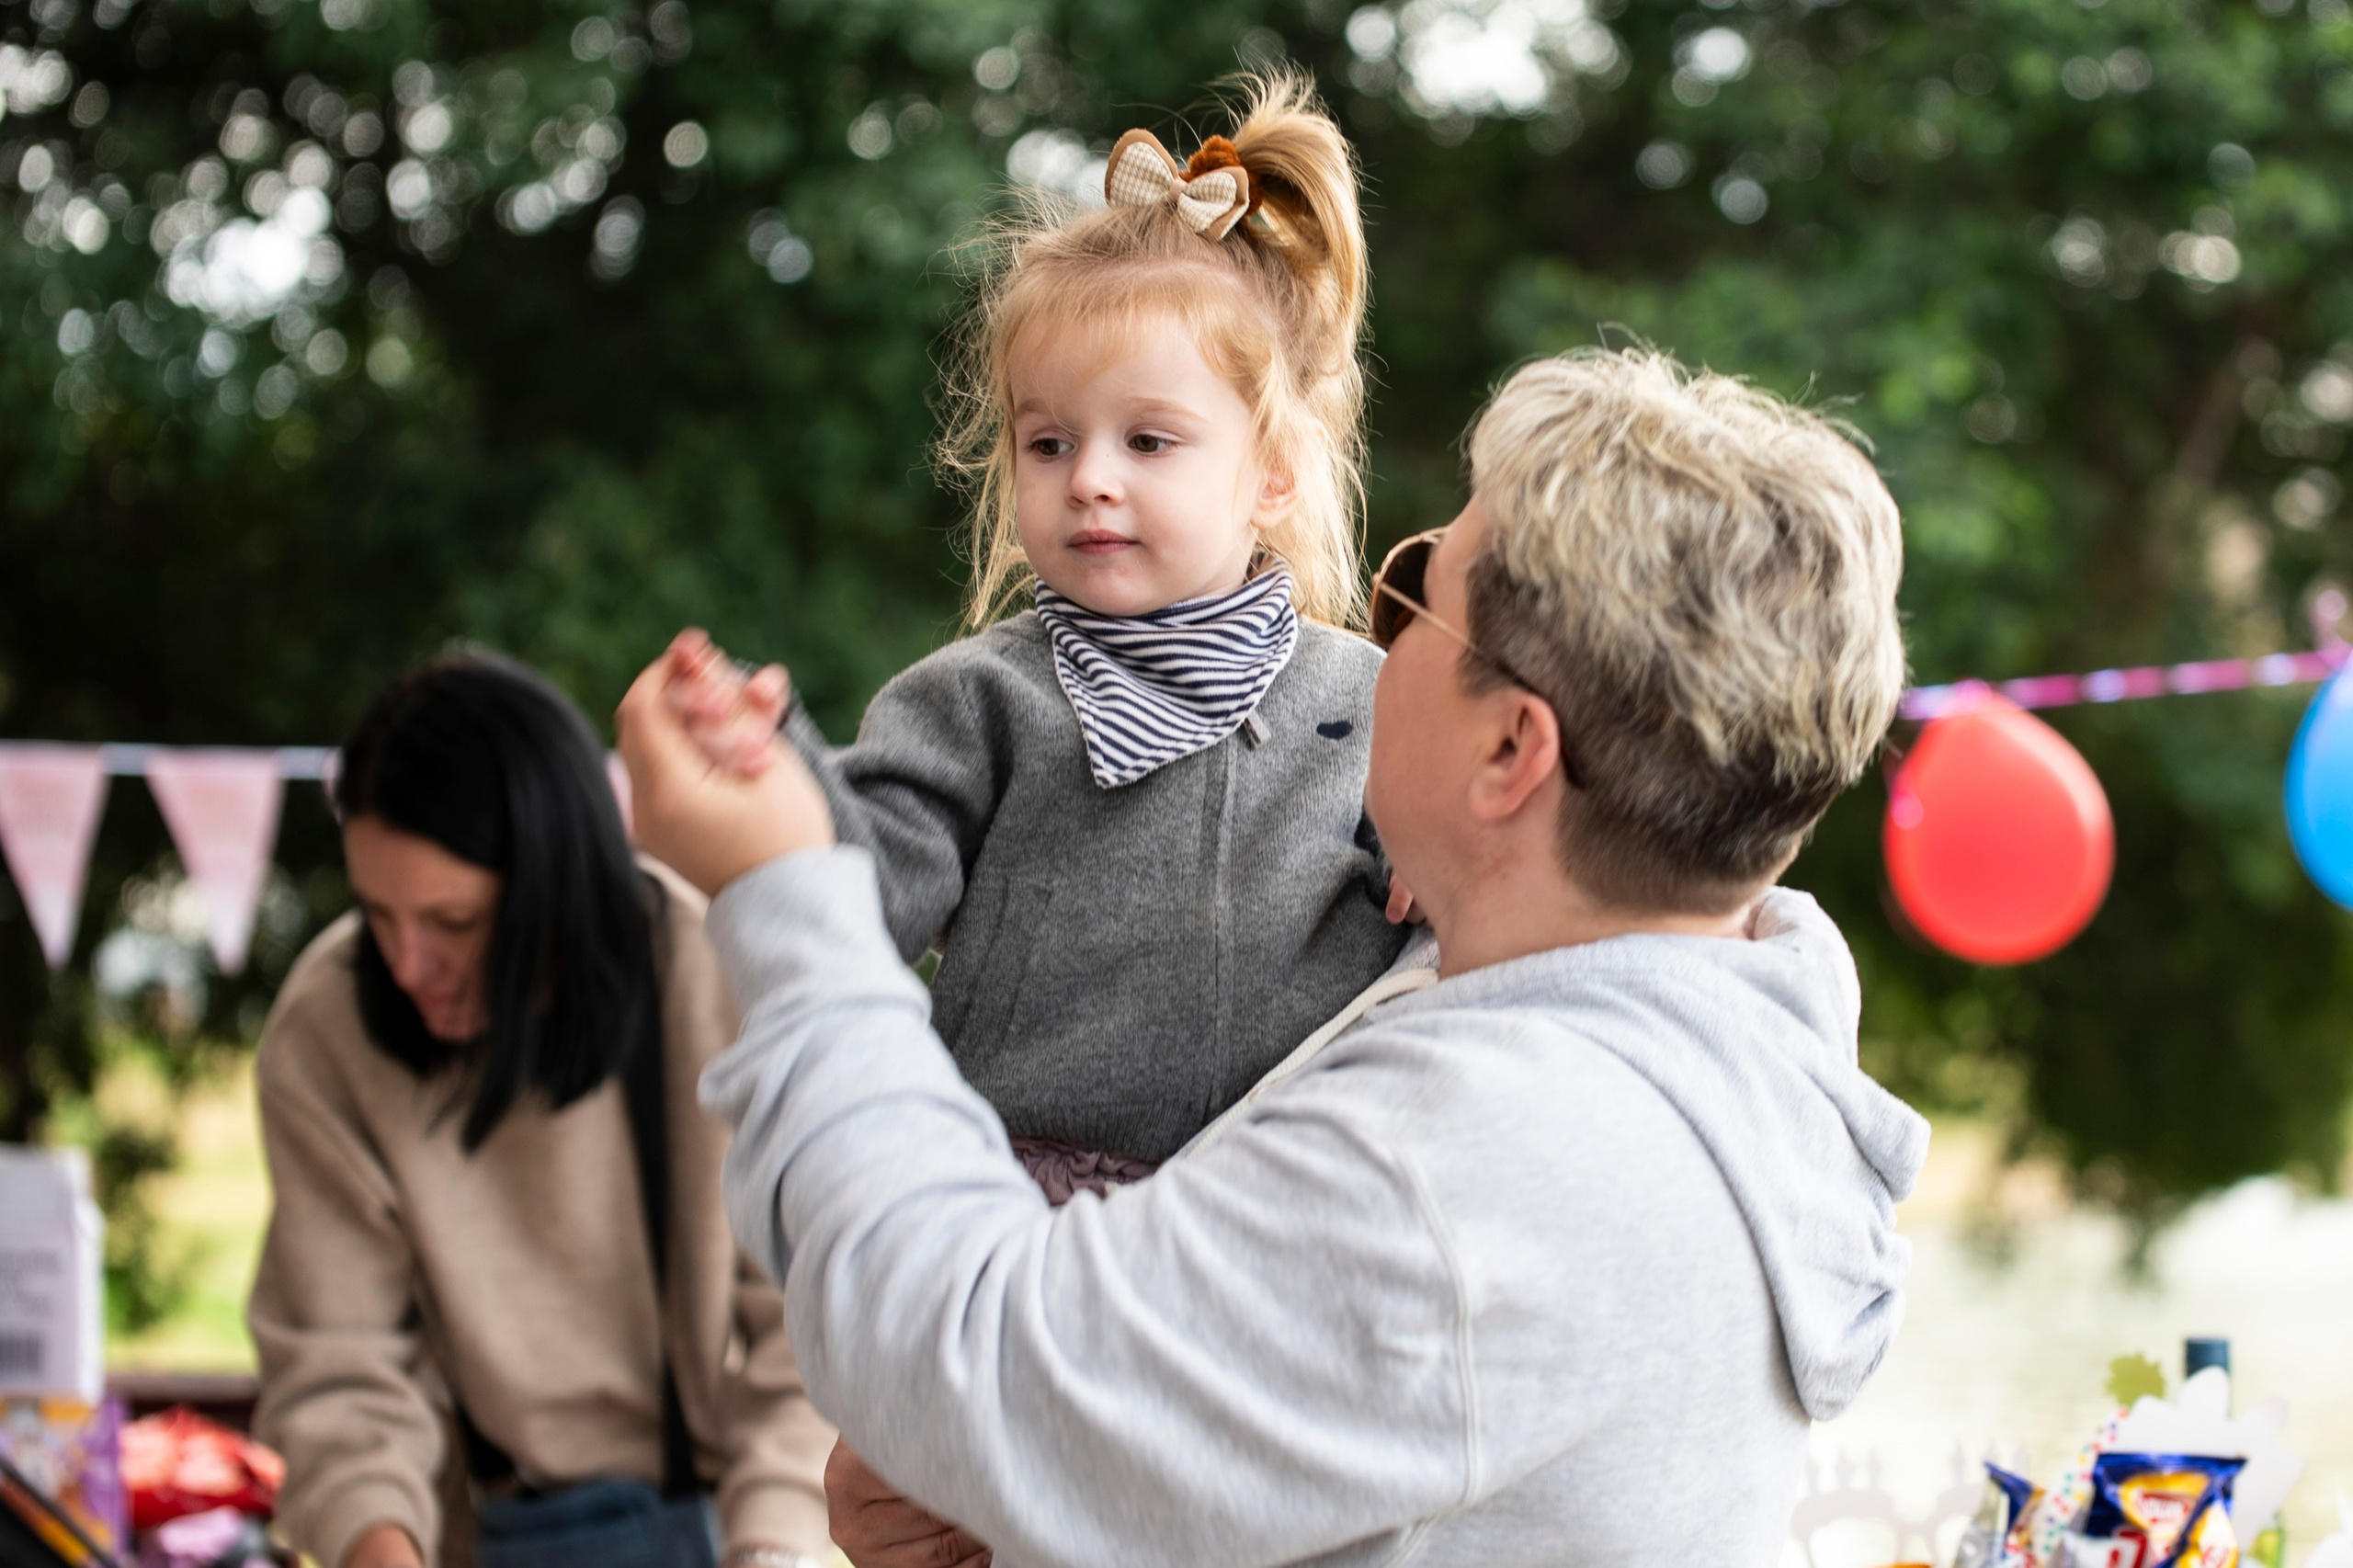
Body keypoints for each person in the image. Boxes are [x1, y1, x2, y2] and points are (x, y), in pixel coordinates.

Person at [620, 347, 1933, 1566]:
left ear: (1509, 750)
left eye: (1416, 597)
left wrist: (783, 893)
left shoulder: (1470, 1154)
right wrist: (1012, 1495)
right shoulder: (1712, 1037)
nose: (1369, 634)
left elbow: (971, 1357)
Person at [662, 71, 1410, 1199]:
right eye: (1049, 443)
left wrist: (1435, 869)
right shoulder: (974, 701)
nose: (1089, 479)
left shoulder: (1375, 701)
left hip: (1285, 1212)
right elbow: (860, 899)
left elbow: (1474, 887)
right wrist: (775, 776)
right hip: (1024, 1210)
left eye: (1147, 441)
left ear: (1271, 473)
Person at [245, 654, 835, 1568]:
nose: (406, 965)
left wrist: (770, 1548)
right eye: (378, 914)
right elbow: (340, 1368)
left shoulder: (709, 974)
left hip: (733, 1526)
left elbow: (807, 1332)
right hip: (466, 1536)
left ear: (555, 891)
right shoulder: (329, 1026)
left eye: (452, 922)